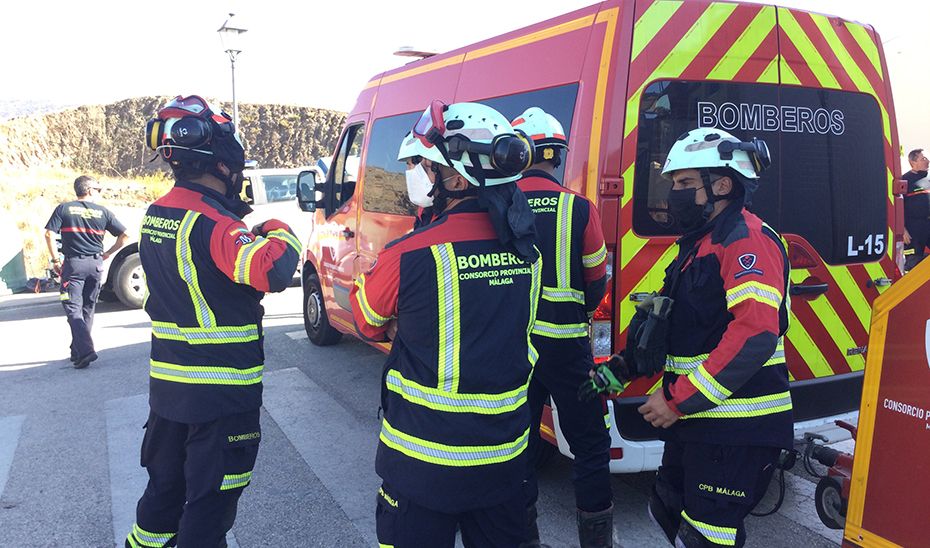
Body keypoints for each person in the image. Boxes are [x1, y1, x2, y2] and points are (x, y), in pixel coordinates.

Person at [581, 127, 791, 547]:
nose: (673, 192)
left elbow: (755, 333)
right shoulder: (699, 243)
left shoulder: (746, 240)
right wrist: (622, 369)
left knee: (705, 537)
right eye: (673, 183)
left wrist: (678, 400)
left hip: (735, 429)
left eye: (684, 183)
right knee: (665, 508)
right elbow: (670, 323)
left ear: (723, 185)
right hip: (699, 424)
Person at [351, 100, 541, 548]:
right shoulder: (527, 249)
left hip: (422, 463)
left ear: (455, 178)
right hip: (504, 457)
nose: (413, 172)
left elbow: (365, 319)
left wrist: (405, 324)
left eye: (421, 162)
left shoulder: (410, 252)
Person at [125, 95, 299, 548]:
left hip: (169, 391)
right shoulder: (215, 222)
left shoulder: (157, 214)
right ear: (221, 161)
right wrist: (278, 228)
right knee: (209, 508)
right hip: (220, 398)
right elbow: (273, 269)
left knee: (163, 497)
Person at [510, 107, 613, 548]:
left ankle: (520, 536)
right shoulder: (580, 209)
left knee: (516, 446)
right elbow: (596, 283)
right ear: (557, 155)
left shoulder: (501, 206)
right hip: (570, 351)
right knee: (590, 446)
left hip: (515, 351)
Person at [44, 175, 129, 369]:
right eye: (98, 190)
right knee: (87, 310)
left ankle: (86, 351)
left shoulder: (64, 209)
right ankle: (78, 351)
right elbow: (125, 235)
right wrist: (108, 253)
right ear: (89, 190)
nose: (99, 193)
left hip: (73, 266)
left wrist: (55, 260)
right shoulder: (103, 212)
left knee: (73, 308)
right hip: (96, 265)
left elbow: (49, 233)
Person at [902, 148, 929, 270]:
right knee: (913, 264)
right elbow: (897, 206)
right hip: (913, 232)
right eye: (923, 158)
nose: (927, 161)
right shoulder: (904, 180)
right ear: (913, 162)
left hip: (927, 226)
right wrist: (902, 230)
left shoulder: (928, 180)